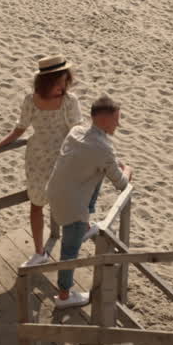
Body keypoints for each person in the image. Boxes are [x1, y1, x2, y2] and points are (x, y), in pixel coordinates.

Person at [0, 55, 81, 267]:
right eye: (63, 76)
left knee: (67, 206)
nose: (67, 80)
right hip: (37, 159)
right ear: (52, 79)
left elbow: (76, 133)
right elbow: (20, 128)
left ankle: (70, 252)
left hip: (62, 160)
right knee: (36, 205)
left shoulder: (69, 102)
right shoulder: (31, 100)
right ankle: (39, 252)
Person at [46, 95, 133, 308]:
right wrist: (129, 169)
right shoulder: (103, 148)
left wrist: (113, 161)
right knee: (70, 252)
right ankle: (64, 296)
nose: (118, 124)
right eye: (116, 119)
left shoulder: (76, 132)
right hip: (72, 208)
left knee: (96, 172)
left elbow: (99, 158)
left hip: (54, 194)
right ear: (104, 120)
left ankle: (84, 225)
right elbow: (121, 183)